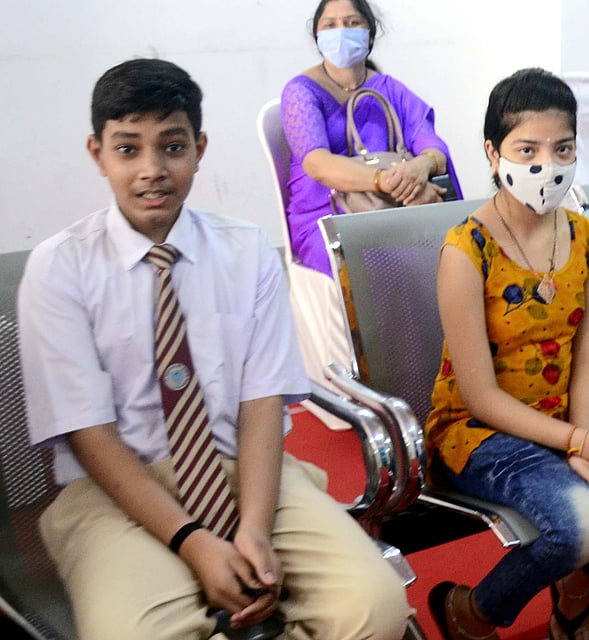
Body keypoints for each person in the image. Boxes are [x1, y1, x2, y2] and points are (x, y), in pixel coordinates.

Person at [18, 58, 411, 639]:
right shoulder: (61, 267)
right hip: (116, 492)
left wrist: (252, 529)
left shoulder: (245, 251)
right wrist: (195, 543)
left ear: (199, 149)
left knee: (375, 608)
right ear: (97, 153)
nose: (152, 170)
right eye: (128, 149)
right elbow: (88, 434)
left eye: (171, 146)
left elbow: (261, 403)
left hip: (249, 473)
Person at [424, 68, 589, 640]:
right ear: (494, 154)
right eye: (528, 149)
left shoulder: (587, 238)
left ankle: (572, 578)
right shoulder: (466, 251)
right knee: (579, 521)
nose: (548, 164)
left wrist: (583, 432)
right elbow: (479, 396)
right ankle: (470, 612)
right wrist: (582, 444)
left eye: (562, 147)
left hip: (569, 412)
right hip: (481, 431)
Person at [280, 0, 459, 278]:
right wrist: (383, 181)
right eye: (330, 25)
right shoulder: (300, 92)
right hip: (325, 214)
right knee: (376, 264)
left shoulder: (390, 90)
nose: (341, 32)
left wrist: (419, 167)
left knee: (454, 251)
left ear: (370, 35)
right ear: (318, 38)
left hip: (393, 206)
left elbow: (432, 146)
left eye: (352, 23)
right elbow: (317, 164)